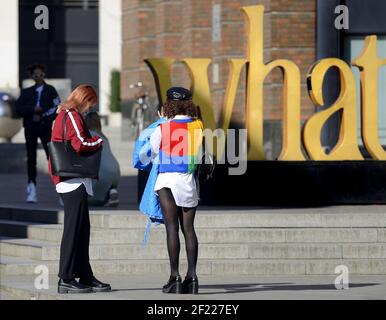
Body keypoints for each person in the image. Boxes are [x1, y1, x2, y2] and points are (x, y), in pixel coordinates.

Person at [48, 85, 111, 294]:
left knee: (81, 230)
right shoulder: (72, 114)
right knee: (74, 230)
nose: (89, 109)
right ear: (84, 100)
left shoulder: (63, 114)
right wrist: (98, 141)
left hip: (70, 179)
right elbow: (80, 143)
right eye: (90, 104)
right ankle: (65, 277)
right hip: (72, 179)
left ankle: (85, 274)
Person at [149, 87, 203, 294]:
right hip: (187, 179)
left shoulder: (163, 127)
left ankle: (175, 277)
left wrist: (161, 121)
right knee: (188, 229)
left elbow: (153, 150)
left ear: (168, 104)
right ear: (189, 103)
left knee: (171, 228)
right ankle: (193, 276)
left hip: (167, 180)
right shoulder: (198, 126)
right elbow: (199, 153)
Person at [15, 63, 61, 203]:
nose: (38, 77)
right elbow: (18, 108)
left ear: (44, 74)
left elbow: (56, 106)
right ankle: (31, 189)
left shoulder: (50, 90)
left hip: (45, 127)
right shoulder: (26, 92)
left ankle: (60, 190)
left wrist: (45, 115)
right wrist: (33, 110)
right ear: (31, 76)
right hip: (30, 128)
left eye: (40, 74)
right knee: (31, 159)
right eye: (35, 74)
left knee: (52, 158)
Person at [84, 111, 120, 207]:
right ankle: (111, 190)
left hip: (101, 172)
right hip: (115, 170)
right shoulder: (104, 137)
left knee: (90, 201)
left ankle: (101, 196)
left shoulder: (87, 135)